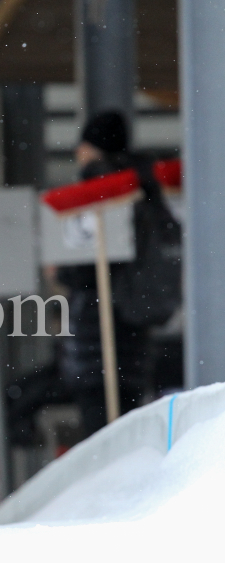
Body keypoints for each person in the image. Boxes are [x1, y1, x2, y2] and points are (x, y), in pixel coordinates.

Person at [56, 111, 180, 435]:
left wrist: (59, 271)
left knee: (102, 439)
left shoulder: (101, 189)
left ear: (91, 148)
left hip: (98, 340)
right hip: (137, 334)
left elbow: (85, 269)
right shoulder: (146, 187)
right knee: (126, 430)